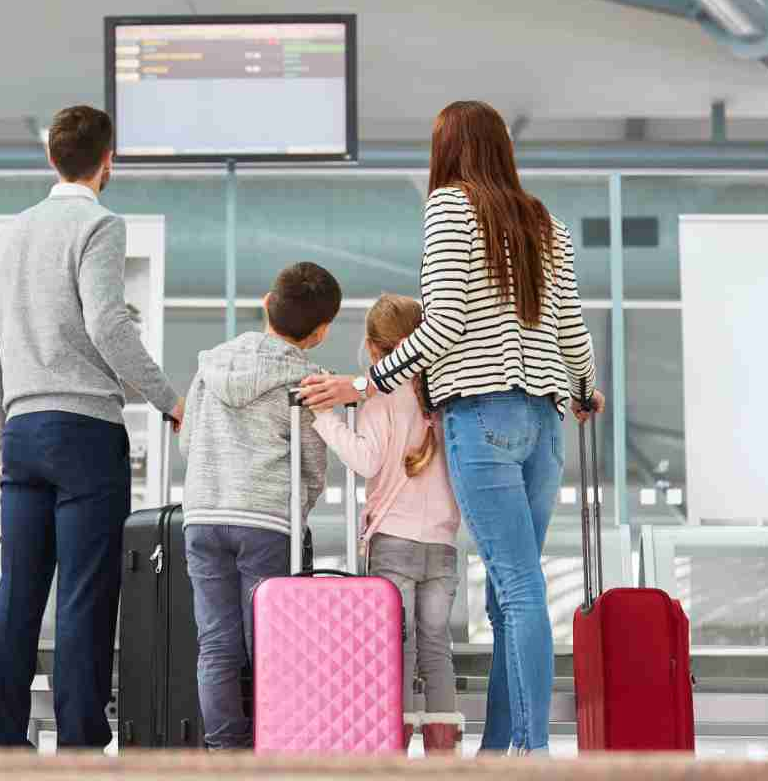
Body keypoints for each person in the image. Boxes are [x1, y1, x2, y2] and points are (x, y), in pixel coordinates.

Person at [300, 100, 605, 756]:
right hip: (544, 424)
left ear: (449, 150)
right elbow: (573, 331)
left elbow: (442, 328)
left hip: (484, 414)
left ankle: (533, 751)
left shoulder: (450, 209)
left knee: (518, 590)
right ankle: (500, 750)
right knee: (508, 596)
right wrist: (584, 390)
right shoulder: (546, 223)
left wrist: (361, 385)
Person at [0, 104, 183, 749]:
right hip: (85, 430)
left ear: (50, 159)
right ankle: (81, 743)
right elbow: (108, 325)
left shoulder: (9, 234)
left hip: (23, 433)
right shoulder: (99, 224)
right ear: (107, 159)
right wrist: (169, 401)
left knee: (19, 592)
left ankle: (3, 742)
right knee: (85, 594)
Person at [179, 261, 341, 750]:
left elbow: (188, 443)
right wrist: (300, 508)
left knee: (216, 646)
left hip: (204, 517)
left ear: (267, 303)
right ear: (320, 333)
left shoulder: (212, 362)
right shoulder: (310, 380)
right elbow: (313, 464)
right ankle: (274, 747)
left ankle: (225, 754)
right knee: (269, 646)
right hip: (267, 521)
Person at [308, 293, 463, 755]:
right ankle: (443, 753)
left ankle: (391, 746)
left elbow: (365, 457)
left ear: (375, 350)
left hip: (394, 540)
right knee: (436, 647)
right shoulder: (446, 394)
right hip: (443, 543)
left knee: (396, 647)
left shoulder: (383, 395)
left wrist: (323, 418)